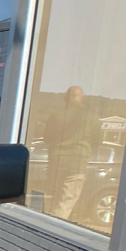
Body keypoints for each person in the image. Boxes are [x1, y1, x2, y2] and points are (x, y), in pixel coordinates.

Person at [40, 85, 98, 220]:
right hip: (76, 164)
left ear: (66, 98)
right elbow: (97, 140)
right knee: (66, 201)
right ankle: (54, 231)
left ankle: (48, 225)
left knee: (53, 200)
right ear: (81, 98)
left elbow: (47, 137)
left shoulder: (56, 114)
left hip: (56, 162)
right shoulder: (91, 116)